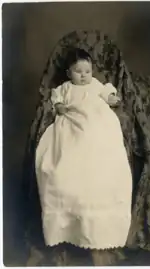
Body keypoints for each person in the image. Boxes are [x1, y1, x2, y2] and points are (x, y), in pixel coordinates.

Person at [35, 48, 132, 264]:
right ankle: (67, 230)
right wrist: (59, 106)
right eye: (78, 71)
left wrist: (112, 98)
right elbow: (56, 99)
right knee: (64, 161)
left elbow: (108, 94)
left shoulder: (96, 85)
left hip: (96, 122)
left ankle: (102, 232)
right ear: (69, 73)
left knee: (102, 140)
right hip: (72, 124)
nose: (83, 75)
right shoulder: (65, 88)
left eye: (87, 71)